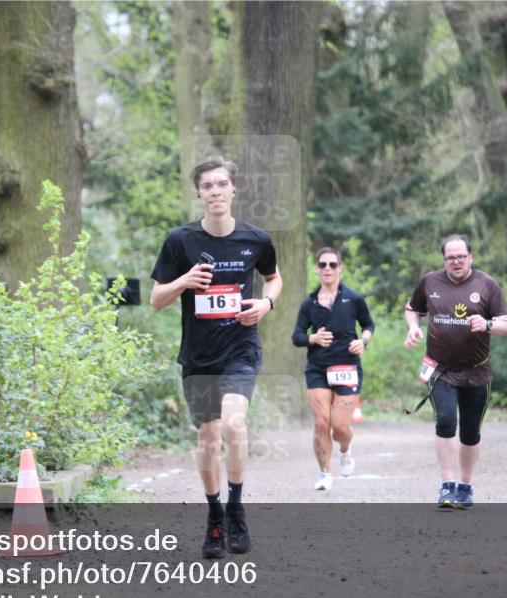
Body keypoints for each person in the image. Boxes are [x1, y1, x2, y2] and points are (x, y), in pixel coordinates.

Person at [150, 155, 282, 558]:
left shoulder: (255, 239)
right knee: (208, 442)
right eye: (207, 186)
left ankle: (237, 507)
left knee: (234, 424)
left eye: (221, 184)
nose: (215, 191)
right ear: (199, 194)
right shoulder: (181, 241)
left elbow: (274, 278)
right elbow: (156, 300)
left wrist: (266, 305)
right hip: (198, 355)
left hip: (240, 348)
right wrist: (184, 281)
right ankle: (214, 516)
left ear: (233, 189)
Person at [403, 234, 507, 509]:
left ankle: (465, 486)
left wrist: (487, 325)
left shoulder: (486, 285)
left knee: (470, 431)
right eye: (450, 257)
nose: (456, 261)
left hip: (477, 371)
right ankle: (446, 486)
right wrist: (413, 327)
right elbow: (411, 308)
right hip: (438, 369)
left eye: (461, 256)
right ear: (444, 260)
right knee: (446, 422)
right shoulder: (430, 281)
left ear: (470, 257)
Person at [292, 248, 374, 491]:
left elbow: (368, 324)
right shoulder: (310, 303)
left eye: (332, 264)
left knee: (339, 427)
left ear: (340, 268)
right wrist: (312, 339)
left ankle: (346, 450)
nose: (328, 269)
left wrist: (364, 341)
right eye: (323, 265)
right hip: (317, 368)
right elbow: (297, 336)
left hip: (346, 366)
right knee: (321, 422)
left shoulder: (353, 298)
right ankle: (324, 473)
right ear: (316, 269)